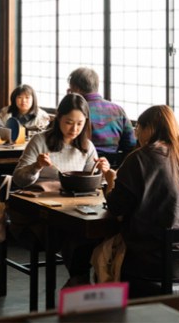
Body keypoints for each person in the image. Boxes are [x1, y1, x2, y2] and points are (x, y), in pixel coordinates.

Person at [102, 105, 179, 294]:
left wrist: (110, 184)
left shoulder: (138, 159)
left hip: (154, 263)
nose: (136, 135)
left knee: (101, 256)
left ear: (147, 129)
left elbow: (117, 207)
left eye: (137, 129)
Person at [12, 93, 110, 284]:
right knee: (73, 233)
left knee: (91, 233)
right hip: (39, 213)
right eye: (69, 122)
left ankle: (79, 280)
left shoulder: (87, 146)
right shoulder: (40, 141)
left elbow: (92, 184)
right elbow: (19, 179)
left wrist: (102, 172)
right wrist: (36, 167)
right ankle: (79, 279)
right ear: (58, 119)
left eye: (80, 123)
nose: (74, 129)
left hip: (73, 208)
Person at [67, 67, 136, 165]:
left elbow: (61, 141)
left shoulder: (75, 111)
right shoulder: (118, 110)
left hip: (81, 166)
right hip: (112, 166)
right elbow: (131, 144)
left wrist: (69, 101)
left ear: (76, 88)